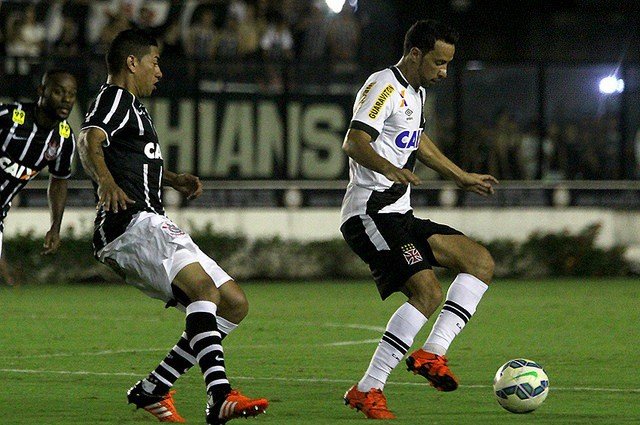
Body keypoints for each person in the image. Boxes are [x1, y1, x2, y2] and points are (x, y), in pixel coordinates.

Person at [76, 29, 268, 425]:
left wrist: (172, 178)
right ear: (132, 63)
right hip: (128, 223)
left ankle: (154, 388)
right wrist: (105, 182)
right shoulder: (115, 98)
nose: (159, 71)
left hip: (152, 220)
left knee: (233, 303)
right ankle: (219, 396)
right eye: (155, 62)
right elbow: (88, 140)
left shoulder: (134, 108)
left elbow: (132, 161)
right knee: (203, 290)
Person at [340, 20, 498, 419]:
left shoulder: (416, 91)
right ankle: (367, 389)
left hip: (398, 213)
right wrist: (388, 168)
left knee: (479, 261)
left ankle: (433, 353)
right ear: (415, 54)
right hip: (370, 213)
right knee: (427, 292)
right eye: (439, 62)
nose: (444, 71)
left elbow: (418, 141)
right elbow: (354, 142)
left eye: (447, 64)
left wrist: (459, 175)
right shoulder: (383, 86)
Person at [0, 69, 77, 265]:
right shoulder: (9, 117)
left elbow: (59, 180)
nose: (66, 99)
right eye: (59, 92)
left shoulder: (64, 139)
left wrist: (55, 227)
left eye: (71, 94)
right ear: (42, 91)